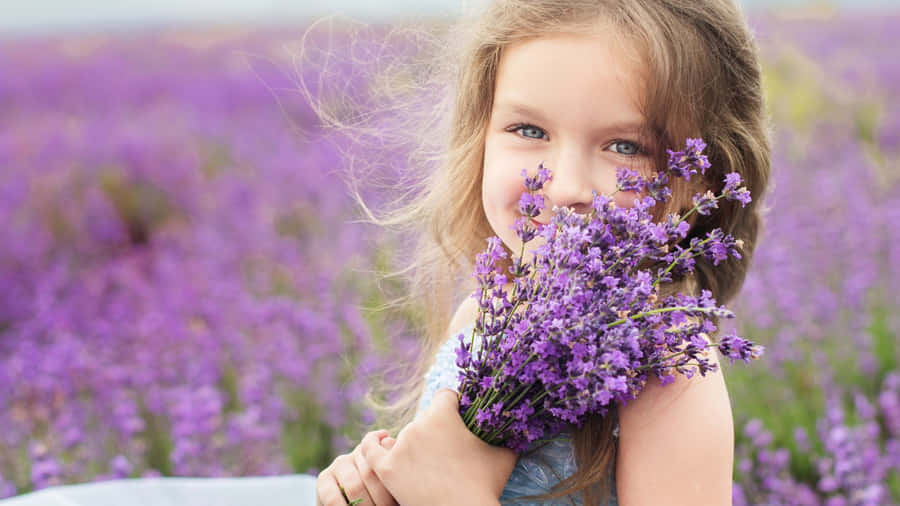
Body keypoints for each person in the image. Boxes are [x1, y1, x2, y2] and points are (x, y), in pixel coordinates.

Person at [315, 0, 771, 504]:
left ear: (699, 182)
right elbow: (431, 470)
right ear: (479, 136)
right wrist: (375, 482)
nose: (565, 187)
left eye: (625, 146)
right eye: (529, 131)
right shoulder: (479, 318)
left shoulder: (666, 367)